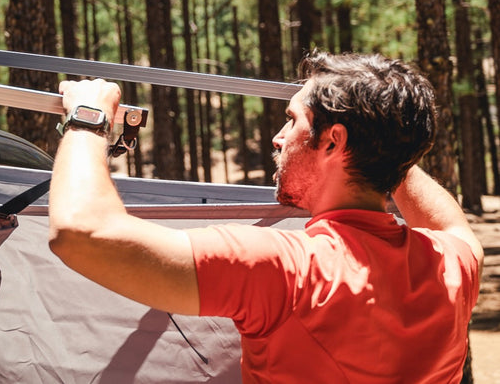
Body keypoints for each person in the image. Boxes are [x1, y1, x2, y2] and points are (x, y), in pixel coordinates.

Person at [48, 52, 483, 383]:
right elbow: (450, 225)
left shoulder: (284, 269)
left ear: (333, 142)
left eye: (291, 121)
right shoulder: (454, 265)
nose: (278, 138)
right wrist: (386, 139)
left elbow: (81, 233)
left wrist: (89, 117)